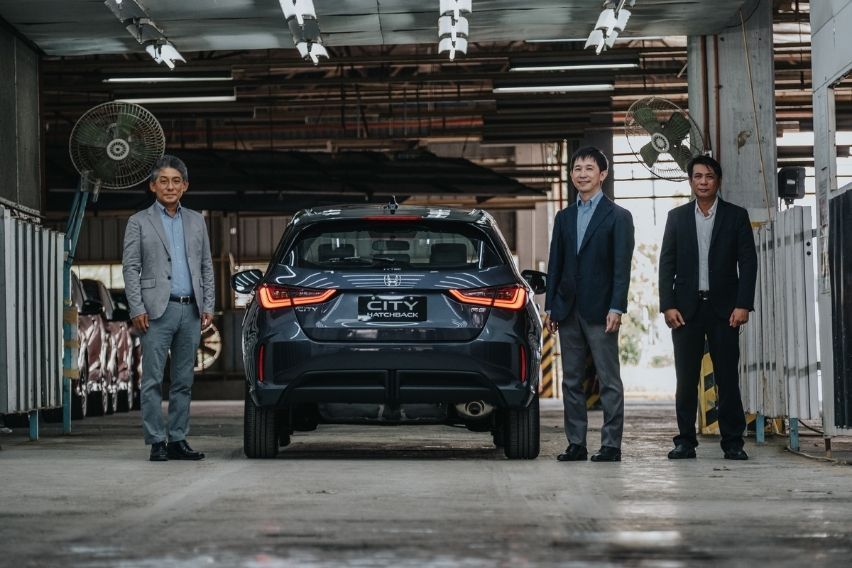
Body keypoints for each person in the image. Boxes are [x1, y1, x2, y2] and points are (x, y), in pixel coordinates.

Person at [659, 155, 757, 461]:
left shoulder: (735, 216)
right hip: (685, 311)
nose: (703, 182)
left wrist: (743, 304)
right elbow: (666, 265)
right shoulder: (677, 218)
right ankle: (685, 441)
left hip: (725, 310)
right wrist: (667, 305)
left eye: (709, 176)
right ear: (690, 181)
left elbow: (748, 263)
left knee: (728, 377)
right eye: (698, 176)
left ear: (718, 181)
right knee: (685, 379)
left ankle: (733, 442)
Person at [545, 146, 635, 463]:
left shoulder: (619, 217)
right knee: (571, 381)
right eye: (577, 168)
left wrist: (617, 308)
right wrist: (550, 308)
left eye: (589, 168)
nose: (582, 174)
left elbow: (621, 268)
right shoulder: (564, 217)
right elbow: (555, 264)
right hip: (567, 310)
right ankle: (576, 444)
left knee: (609, 381)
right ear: (572, 175)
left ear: (603, 175)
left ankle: (611, 444)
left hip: (601, 311)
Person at [122, 155, 215, 462]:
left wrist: (209, 305)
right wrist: (136, 308)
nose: (170, 186)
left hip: (190, 311)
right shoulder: (139, 222)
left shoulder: (196, 220)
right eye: (163, 180)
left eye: (176, 181)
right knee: (151, 380)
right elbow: (130, 268)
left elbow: (206, 266)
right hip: (155, 312)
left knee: (183, 381)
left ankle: (177, 439)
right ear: (153, 186)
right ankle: (156, 440)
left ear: (185, 186)